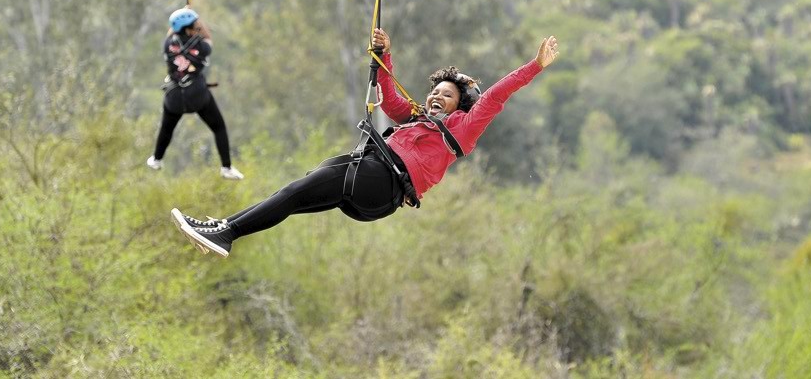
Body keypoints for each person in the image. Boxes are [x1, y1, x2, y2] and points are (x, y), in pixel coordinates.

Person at [171, 28, 559, 257]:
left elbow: (494, 96)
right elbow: (390, 101)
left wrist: (535, 66)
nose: (437, 97)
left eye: (447, 95)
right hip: (367, 175)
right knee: (290, 195)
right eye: (435, 92)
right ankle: (223, 228)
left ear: (460, 106)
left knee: (293, 191)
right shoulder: (416, 119)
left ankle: (226, 232)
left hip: (381, 181)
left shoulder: (461, 130)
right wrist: (384, 54)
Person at [146, 7, 244, 180]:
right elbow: (207, 36)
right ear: (191, 27)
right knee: (218, 127)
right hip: (197, 96)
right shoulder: (201, 46)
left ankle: (157, 159)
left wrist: (183, 16)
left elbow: (172, 32)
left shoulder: (168, 44)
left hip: (174, 97)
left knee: (166, 128)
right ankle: (226, 167)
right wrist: (196, 17)